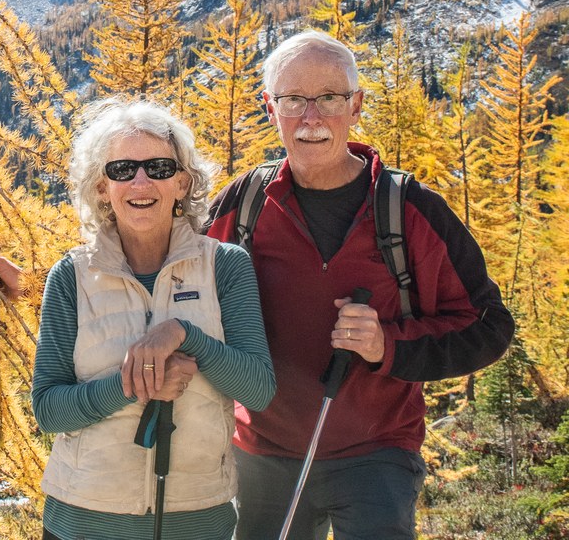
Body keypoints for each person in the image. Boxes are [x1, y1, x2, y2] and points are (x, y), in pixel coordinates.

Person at [203, 30, 516, 540]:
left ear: (356, 105)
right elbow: (179, 289)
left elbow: (488, 327)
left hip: (377, 458)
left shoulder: (409, 209)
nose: (312, 118)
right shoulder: (245, 203)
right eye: (292, 100)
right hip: (263, 458)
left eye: (329, 98)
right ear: (269, 107)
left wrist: (386, 344)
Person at [0, 98, 275, 540]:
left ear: (182, 183)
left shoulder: (225, 267)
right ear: (102, 188)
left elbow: (258, 388)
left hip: (197, 520)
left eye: (158, 167)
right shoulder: (72, 276)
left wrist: (183, 334)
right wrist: (133, 384)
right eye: (122, 169)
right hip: (83, 520)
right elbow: (49, 410)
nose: (141, 180)